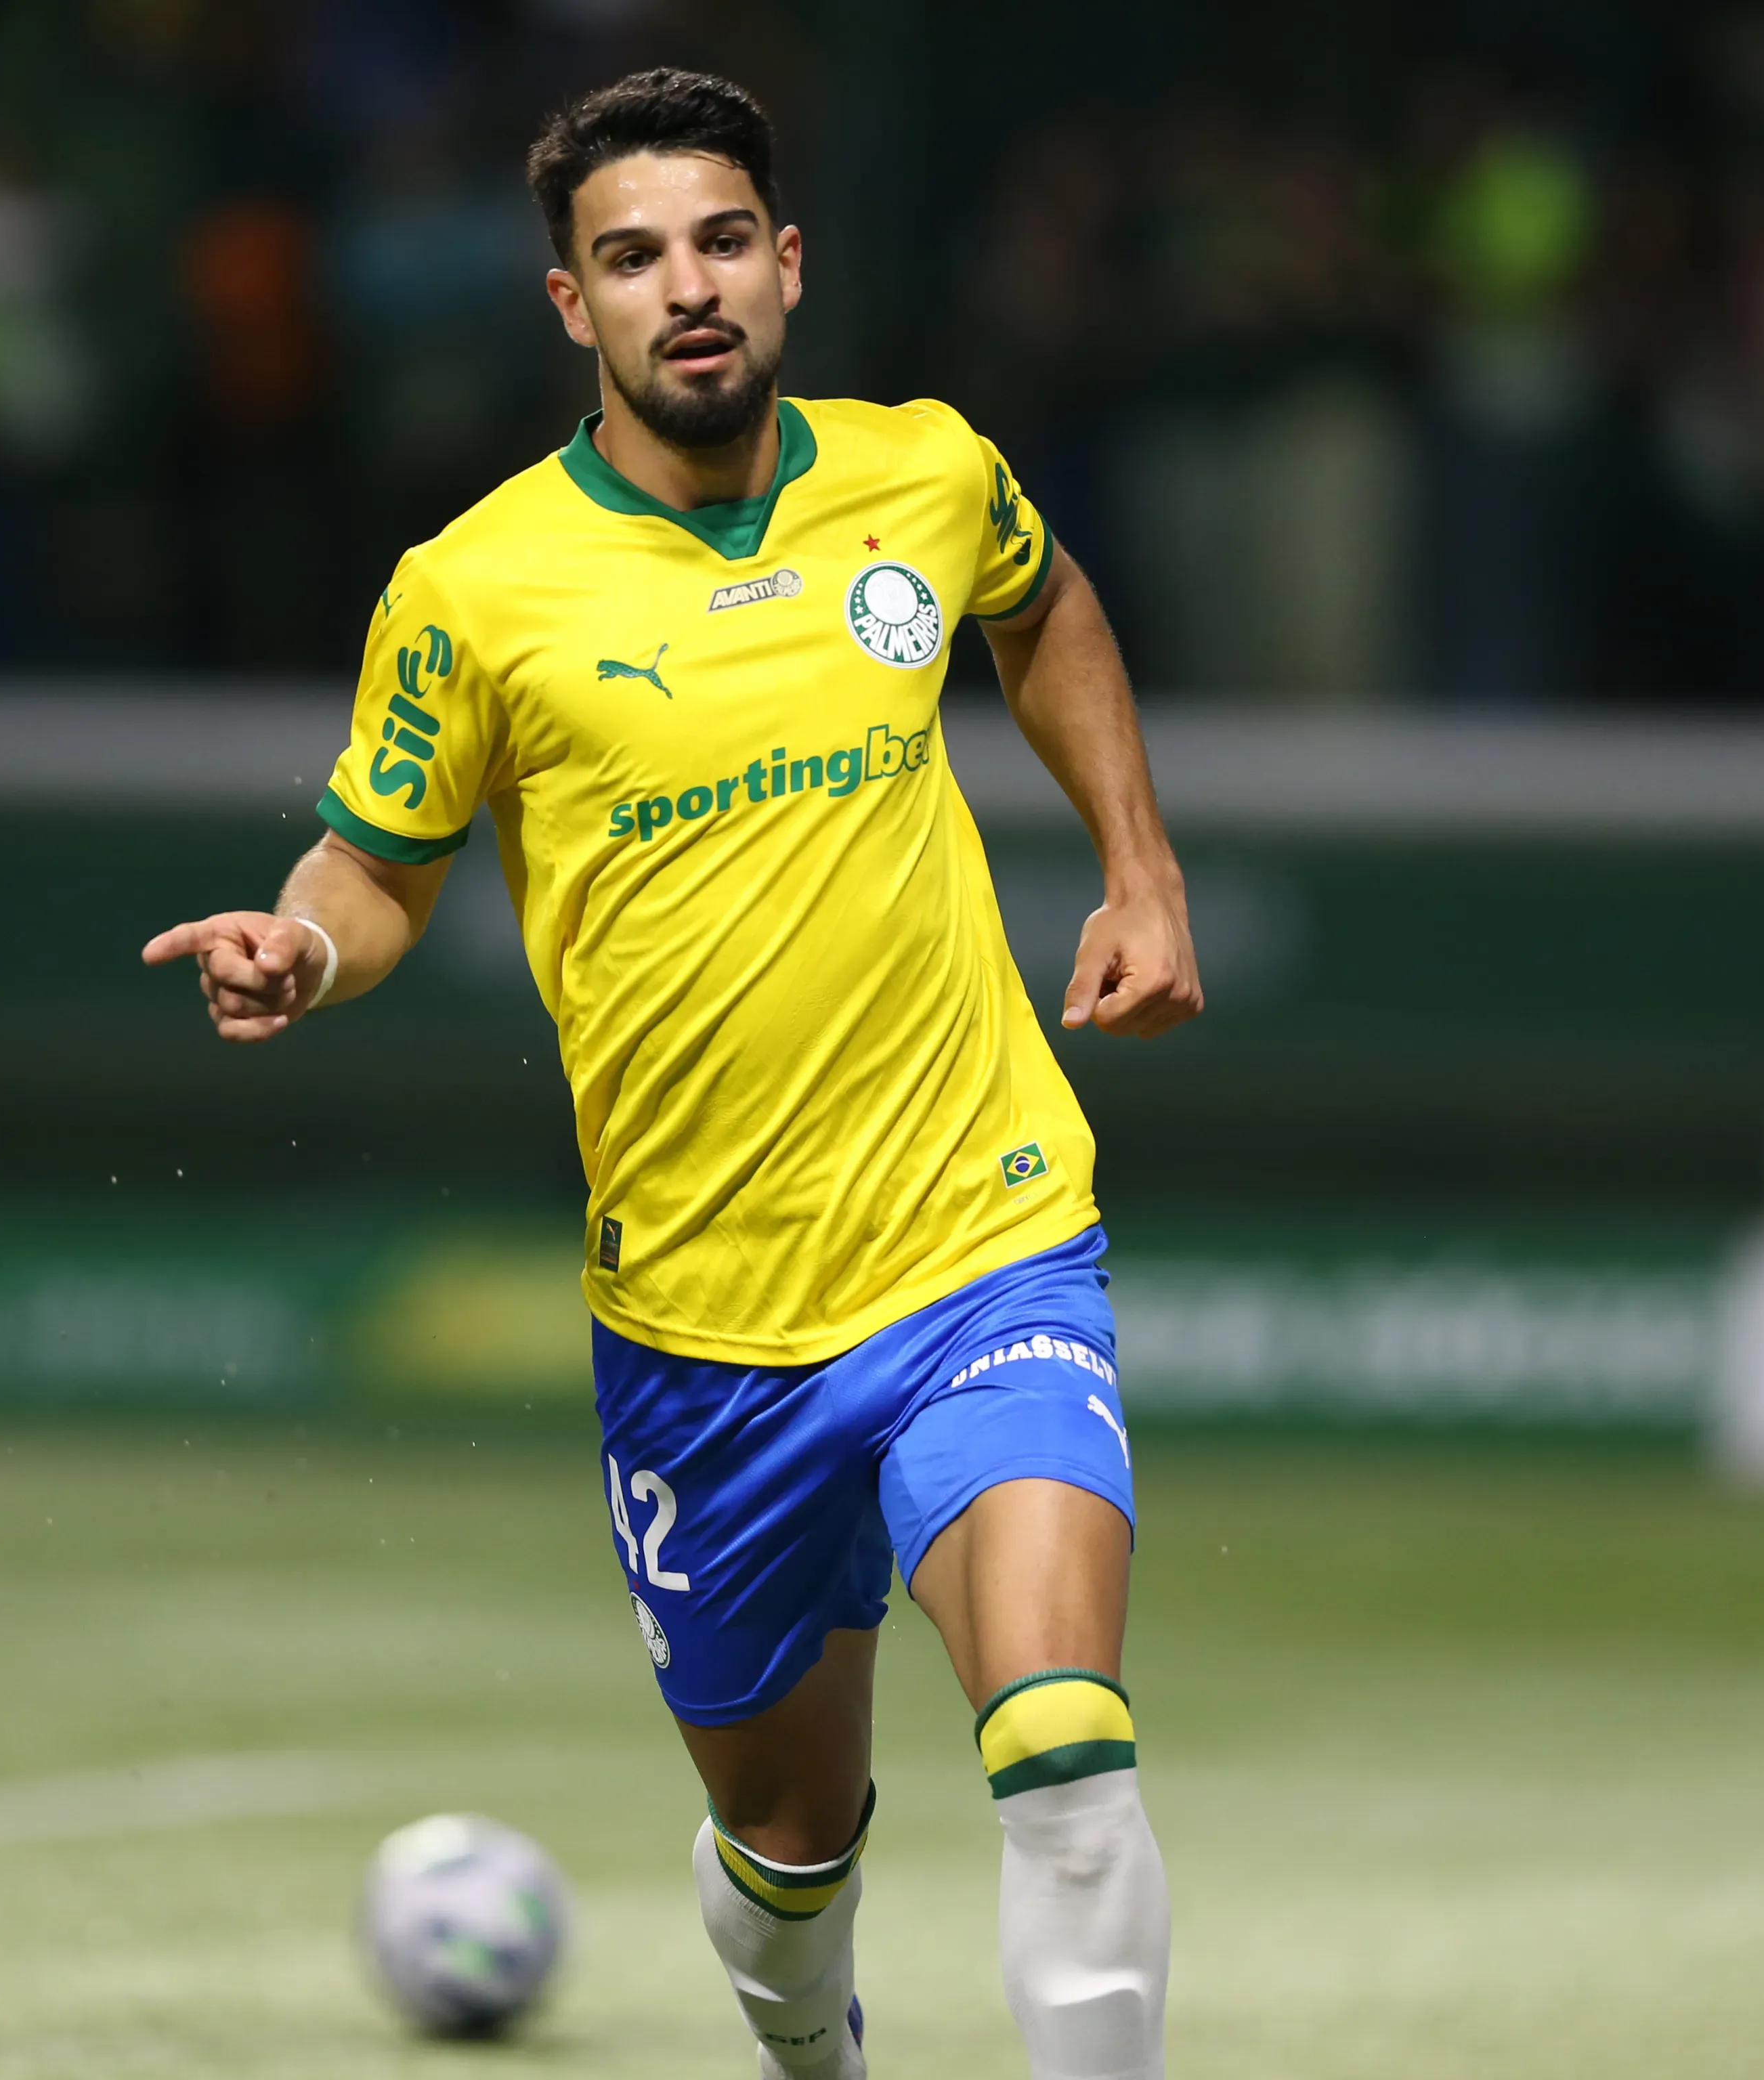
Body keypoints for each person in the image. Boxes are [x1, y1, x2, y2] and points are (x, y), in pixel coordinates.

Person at [146, 68, 1197, 2080]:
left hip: (981, 1246)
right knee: (788, 1850)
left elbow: (1041, 598)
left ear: (787, 267)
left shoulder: (920, 472)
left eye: (722, 242)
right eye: (632, 258)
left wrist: (1140, 871)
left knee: (1063, 1744)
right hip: (704, 1340)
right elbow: (375, 861)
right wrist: (305, 947)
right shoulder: (477, 586)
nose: (685, 287)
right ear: (572, 307)